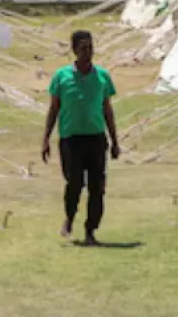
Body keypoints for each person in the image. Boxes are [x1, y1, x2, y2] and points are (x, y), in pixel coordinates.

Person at [41, 30, 120, 244]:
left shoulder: (102, 76)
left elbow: (107, 110)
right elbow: (53, 109)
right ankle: (69, 217)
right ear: (74, 50)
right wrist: (45, 139)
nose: (88, 52)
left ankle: (90, 230)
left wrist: (114, 141)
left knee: (97, 187)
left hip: (96, 138)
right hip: (71, 139)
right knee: (74, 183)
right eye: (83, 48)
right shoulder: (62, 76)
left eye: (91, 48)